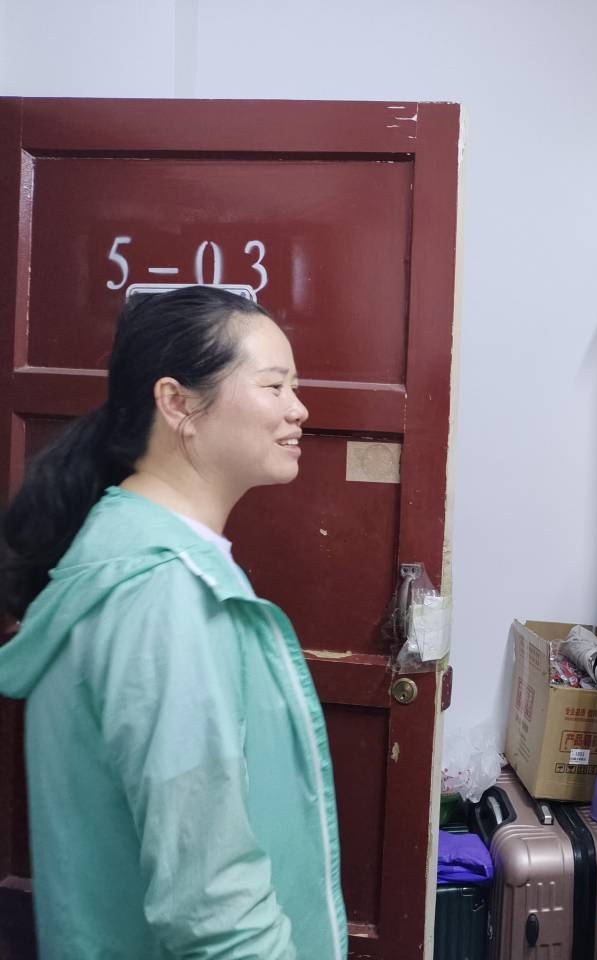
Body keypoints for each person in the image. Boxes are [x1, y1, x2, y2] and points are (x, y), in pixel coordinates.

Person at [0, 287, 347, 959]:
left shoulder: (132, 551)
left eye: (295, 387)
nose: (299, 408)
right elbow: (211, 904)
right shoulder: (164, 595)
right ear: (178, 402)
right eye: (274, 385)